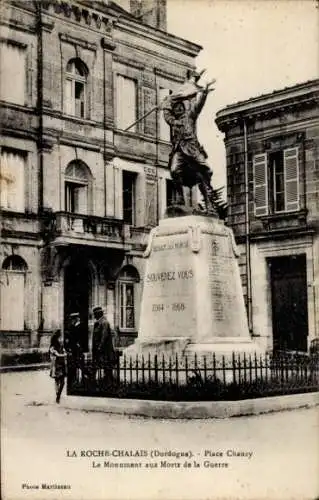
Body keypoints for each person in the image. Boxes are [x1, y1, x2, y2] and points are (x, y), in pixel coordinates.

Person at [162, 68, 217, 214]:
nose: (178, 109)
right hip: (179, 150)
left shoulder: (190, 117)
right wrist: (168, 101)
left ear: (184, 108)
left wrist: (203, 93)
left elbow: (198, 106)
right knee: (174, 171)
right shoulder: (173, 121)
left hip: (192, 149)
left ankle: (209, 204)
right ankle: (180, 197)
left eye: (180, 107)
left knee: (204, 173)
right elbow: (166, 113)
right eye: (176, 108)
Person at [65, 312, 87, 384]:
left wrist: (79, 345)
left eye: (73, 319)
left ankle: (82, 378)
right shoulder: (72, 326)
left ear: (76, 319)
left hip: (78, 348)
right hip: (74, 348)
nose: (72, 321)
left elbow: (81, 337)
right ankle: (76, 379)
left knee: (79, 363)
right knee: (75, 363)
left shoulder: (80, 326)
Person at [49, 330, 67, 404]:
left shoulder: (61, 345)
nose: (61, 339)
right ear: (56, 338)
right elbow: (57, 354)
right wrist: (65, 355)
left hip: (61, 364)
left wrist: (65, 352)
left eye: (61, 338)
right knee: (57, 381)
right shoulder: (52, 347)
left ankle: (58, 395)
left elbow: (64, 351)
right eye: (60, 338)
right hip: (56, 365)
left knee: (62, 382)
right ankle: (57, 395)